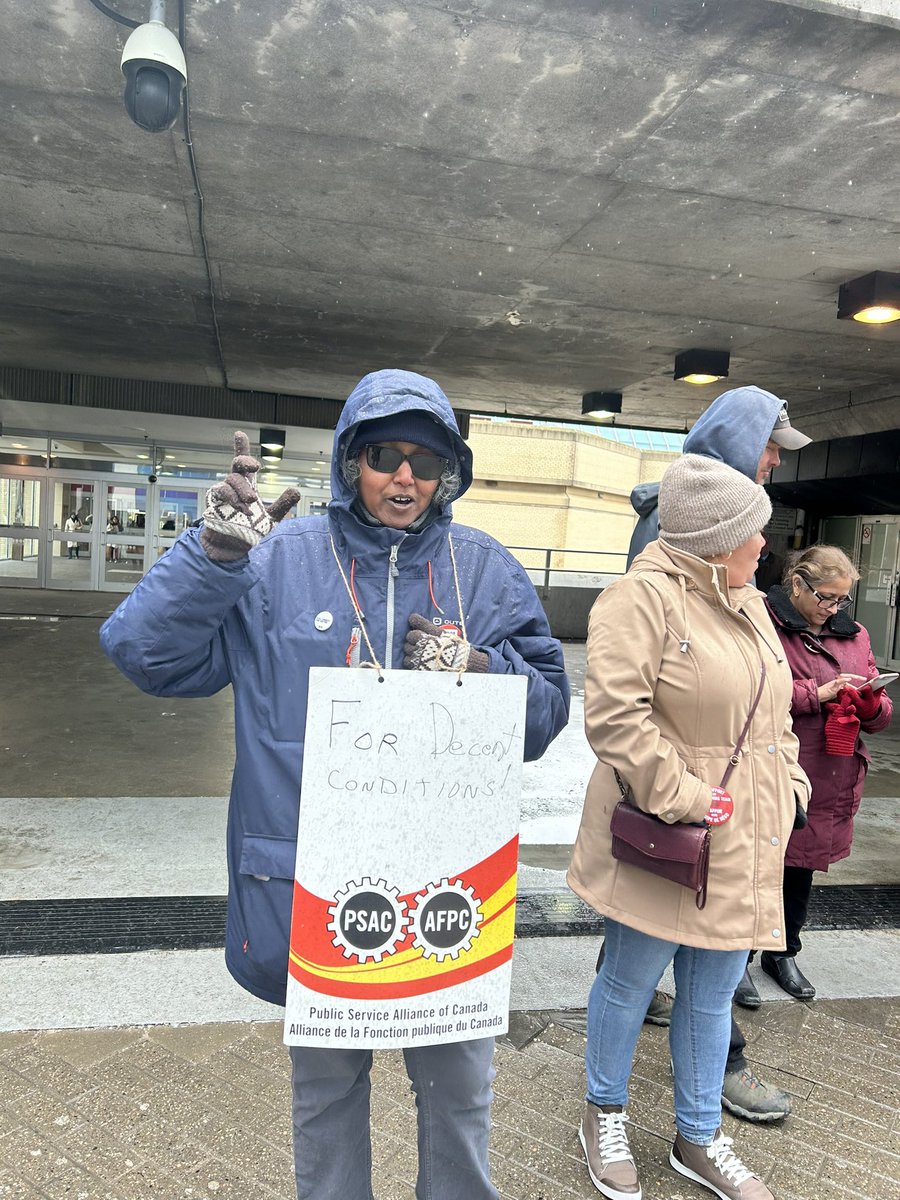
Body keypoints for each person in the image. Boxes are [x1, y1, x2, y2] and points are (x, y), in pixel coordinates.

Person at [100, 368, 570, 1200]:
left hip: (448, 893)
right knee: (324, 1098)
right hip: (313, 893)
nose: (405, 477)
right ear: (351, 459)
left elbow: (543, 719)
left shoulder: (486, 571)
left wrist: (478, 669)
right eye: (386, 454)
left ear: (447, 474)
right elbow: (148, 656)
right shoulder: (277, 561)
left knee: (460, 1096)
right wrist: (210, 559)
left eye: (427, 462)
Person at [568, 454, 810, 1200]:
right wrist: (682, 795)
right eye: (754, 534)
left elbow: (774, 716)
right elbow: (614, 719)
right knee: (629, 983)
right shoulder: (639, 600)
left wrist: (793, 782)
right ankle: (603, 1112)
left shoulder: (750, 604)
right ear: (716, 539)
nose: (765, 547)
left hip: (740, 842)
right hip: (666, 842)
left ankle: (698, 1136)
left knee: (711, 998)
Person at [620, 385, 812, 1122]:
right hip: (689, 804)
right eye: (768, 446)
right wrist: (692, 798)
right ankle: (716, 1069)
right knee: (687, 946)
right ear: (735, 446)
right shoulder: (669, 537)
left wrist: (786, 782)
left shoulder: (736, 524)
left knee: (671, 947)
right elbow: (636, 704)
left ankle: (685, 1046)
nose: (774, 461)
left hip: (720, 796)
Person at [763, 545, 893, 999]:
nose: (834, 608)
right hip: (782, 767)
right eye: (826, 597)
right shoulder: (765, 624)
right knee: (758, 866)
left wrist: (874, 705)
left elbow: (875, 692)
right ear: (797, 584)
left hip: (835, 768)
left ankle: (782, 951)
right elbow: (749, 692)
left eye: (841, 600)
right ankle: (735, 956)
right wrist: (815, 694)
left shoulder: (854, 633)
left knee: (802, 867)